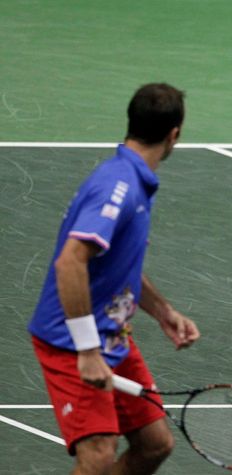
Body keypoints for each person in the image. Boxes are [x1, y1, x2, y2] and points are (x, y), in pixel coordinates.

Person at [28, 83, 200, 474]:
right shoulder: (117, 188)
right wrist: (87, 349)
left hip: (113, 334)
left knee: (155, 445)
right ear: (174, 134)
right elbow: (69, 263)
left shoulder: (136, 180)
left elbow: (120, 266)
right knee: (99, 455)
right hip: (70, 340)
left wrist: (162, 311)